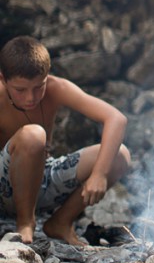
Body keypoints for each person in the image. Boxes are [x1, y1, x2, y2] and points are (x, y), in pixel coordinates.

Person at [0, 36, 130, 245]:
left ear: (47, 75)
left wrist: (99, 174)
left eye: (38, 87)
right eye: (20, 90)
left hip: (41, 181)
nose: (30, 98)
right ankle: (25, 223)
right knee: (33, 135)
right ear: (3, 79)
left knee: (120, 155)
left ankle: (60, 223)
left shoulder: (56, 88)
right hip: (3, 187)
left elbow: (116, 119)